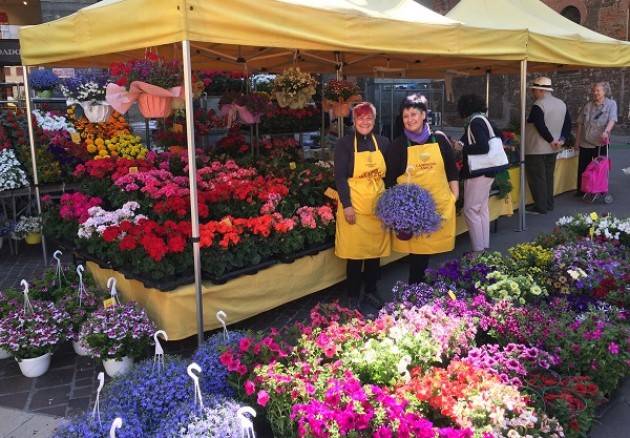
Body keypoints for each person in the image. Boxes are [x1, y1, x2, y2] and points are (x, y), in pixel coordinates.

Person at [385, 94, 458, 284]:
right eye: (405, 116)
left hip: (439, 206)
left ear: (424, 115)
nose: (410, 119)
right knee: (418, 257)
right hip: (414, 213)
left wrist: (454, 196)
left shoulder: (440, 139)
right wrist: (401, 209)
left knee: (433, 253)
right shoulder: (397, 146)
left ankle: (426, 292)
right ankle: (415, 293)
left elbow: (452, 169)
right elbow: (390, 180)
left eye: (413, 114)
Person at [334, 102, 391, 307]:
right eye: (360, 118)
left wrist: (391, 204)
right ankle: (352, 294)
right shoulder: (344, 144)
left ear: (374, 121)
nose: (364, 122)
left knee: (375, 252)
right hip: (354, 205)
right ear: (354, 121)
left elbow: (390, 174)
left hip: (378, 205)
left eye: (369, 118)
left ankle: (371, 290)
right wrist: (347, 205)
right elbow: (340, 177)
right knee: (356, 254)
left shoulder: (383, 142)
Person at [455, 94, 498, 254]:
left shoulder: (475, 122)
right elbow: (495, 137)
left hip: (477, 171)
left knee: (470, 210)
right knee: (482, 209)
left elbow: (483, 147)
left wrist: (463, 149)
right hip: (489, 170)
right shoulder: (484, 120)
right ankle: (483, 246)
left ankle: (478, 250)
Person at [524, 77, 571, 214]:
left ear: (540, 90)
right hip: (554, 147)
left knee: (537, 178)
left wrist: (550, 139)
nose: (533, 93)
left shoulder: (539, 104)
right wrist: (561, 139)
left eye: (534, 90)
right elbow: (567, 124)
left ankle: (540, 206)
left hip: (536, 148)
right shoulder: (561, 103)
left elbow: (539, 125)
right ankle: (549, 203)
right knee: (548, 177)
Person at [575, 82, 617, 196]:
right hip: (585, 141)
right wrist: (577, 141)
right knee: (583, 167)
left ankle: (600, 188)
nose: (595, 92)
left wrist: (606, 131)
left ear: (605, 91)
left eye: (598, 90)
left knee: (600, 167)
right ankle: (582, 189)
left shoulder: (611, 104)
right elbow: (580, 124)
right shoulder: (588, 105)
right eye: (594, 90)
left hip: (601, 142)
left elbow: (612, 120)